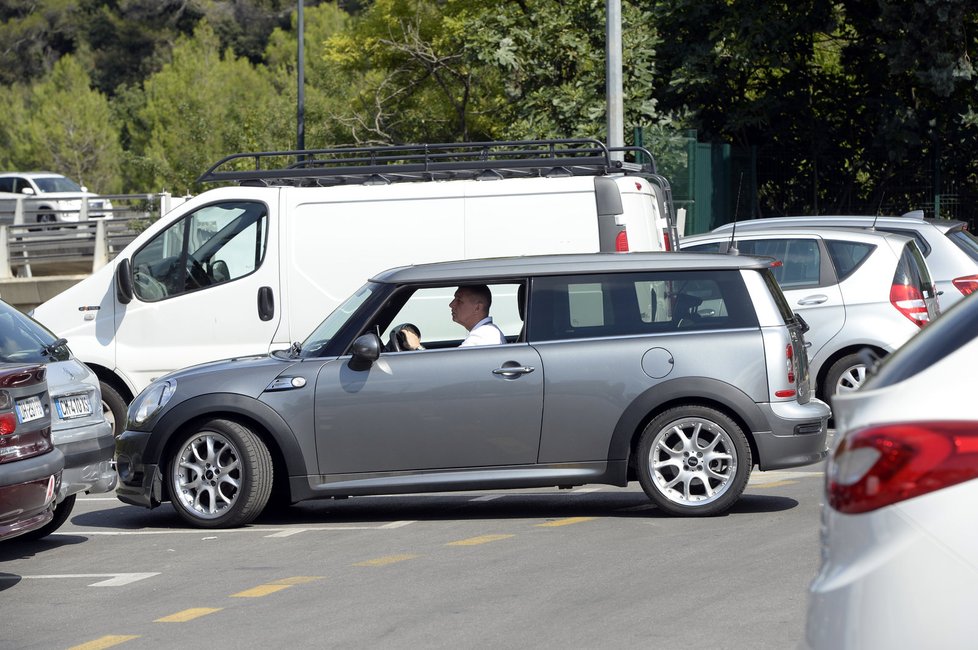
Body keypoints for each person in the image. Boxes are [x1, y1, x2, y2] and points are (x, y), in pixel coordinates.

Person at [398, 284, 506, 350]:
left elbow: (450, 369)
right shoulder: (486, 332)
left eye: (459, 300)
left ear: (477, 308)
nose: (451, 304)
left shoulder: (484, 335)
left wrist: (417, 347)